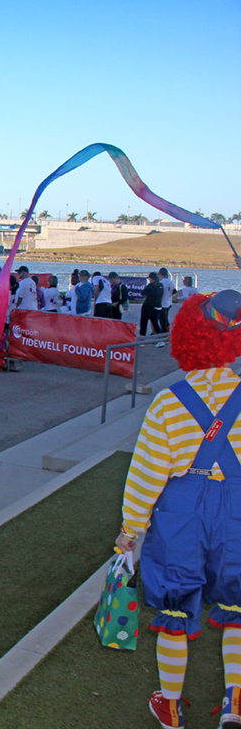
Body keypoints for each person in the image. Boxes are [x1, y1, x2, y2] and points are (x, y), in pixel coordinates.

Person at [113, 290, 241, 729]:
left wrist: (130, 530)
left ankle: (170, 706)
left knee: (175, 606)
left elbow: (147, 474)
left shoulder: (168, 403)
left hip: (182, 513)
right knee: (237, 603)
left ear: (185, 336)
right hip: (237, 512)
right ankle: (234, 702)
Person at [139, 272, 165, 337]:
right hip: (156, 306)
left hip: (148, 306)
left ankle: (142, 338)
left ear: (152, 279)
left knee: (144, 322)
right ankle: (160, 339)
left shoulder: (150, 286)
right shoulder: (161, 285)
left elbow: (143, 292)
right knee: (155, 323)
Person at [158, 267, 175, 333]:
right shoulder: (170, 282)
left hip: (163, 303)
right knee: (165, 318)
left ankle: (164, 333)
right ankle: (167, 331)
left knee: (162, 320)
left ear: (160, 274)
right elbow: (174, 291)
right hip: (169, 302)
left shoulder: (162, 283)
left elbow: (159, 292)